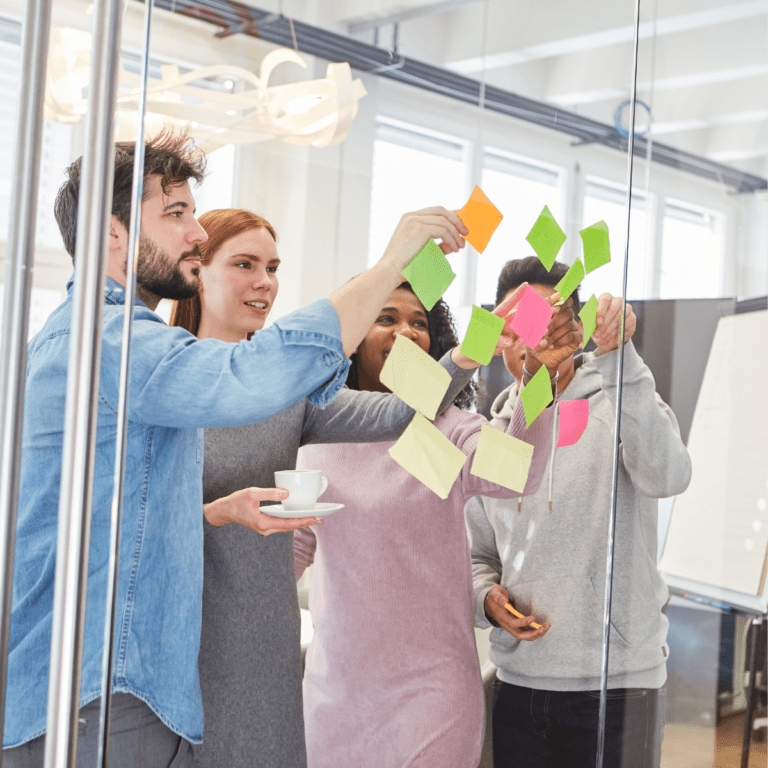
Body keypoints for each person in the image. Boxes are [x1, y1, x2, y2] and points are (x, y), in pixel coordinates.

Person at [2, 132, 471, 765]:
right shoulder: (107, 343)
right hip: (105, 690)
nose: (193, 234)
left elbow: (119, 522)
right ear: (110, 233)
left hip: (142, 682)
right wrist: (391, 263)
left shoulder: (127, 346)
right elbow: (250, 381)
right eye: (175, 214)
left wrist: (469, 358)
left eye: (193, 214)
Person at [167, 207, 483, 768]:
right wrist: (213, 513)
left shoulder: (292, 397)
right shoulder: (159, 380)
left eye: (272, 266)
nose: (265, 282)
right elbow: (119, 520)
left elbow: (404, 411)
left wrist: (474, 348)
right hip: (174, 636)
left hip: (269, 650)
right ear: (197, 271)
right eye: (245, 264)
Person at [292, 280, 582, 768]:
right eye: (387, 318)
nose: (407, 331)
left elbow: (516, 475)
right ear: (355, 338)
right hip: (335, 693)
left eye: (420, 323)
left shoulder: (446, 427)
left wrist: (537, 382)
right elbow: (290, 549)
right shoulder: (316, 436)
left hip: (431, 695)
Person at [465, 256, 692, 768]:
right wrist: (486, 597)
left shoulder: (620, 399)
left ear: (577, 328)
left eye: (553, 320)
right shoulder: (491, 434)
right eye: (521, 323)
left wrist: (619, 358)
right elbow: (478, 551)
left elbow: (670, 476)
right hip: (519, 684)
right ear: (502, 337)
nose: (539, 337)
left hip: (618, 684)